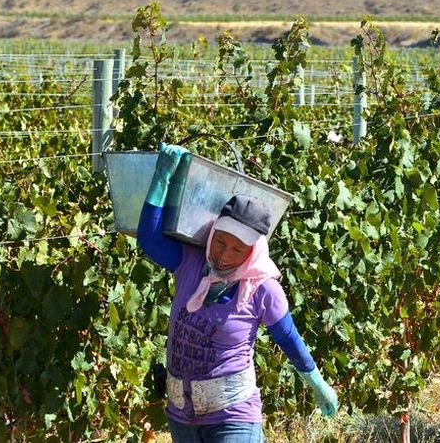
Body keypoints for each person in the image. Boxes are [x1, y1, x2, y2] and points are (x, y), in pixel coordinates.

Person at [137, 143, 338, 443]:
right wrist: (161, 178)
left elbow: (288, 338)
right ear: (212, 234)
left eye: (237, 250)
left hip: (233, 415)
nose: (223, 256)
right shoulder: (192, 263)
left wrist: (317, 384)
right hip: (182, 416)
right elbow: (149, 240)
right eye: (220, 242)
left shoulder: (262, 288)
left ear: (252, 251)